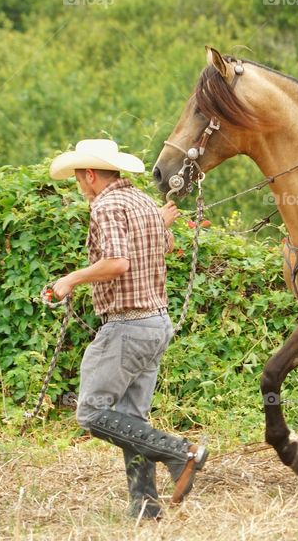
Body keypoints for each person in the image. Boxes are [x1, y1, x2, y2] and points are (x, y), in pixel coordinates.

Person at [48, 138, 207, 520]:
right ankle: (145, 509)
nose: (79, 185)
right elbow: (164, 246)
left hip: (127, 325)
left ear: (89, 175)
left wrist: (70, 279)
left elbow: (118, 263)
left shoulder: (105, 205)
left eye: (78, 178)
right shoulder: (142, 203)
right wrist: (158, 224)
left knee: (90, 412)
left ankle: (179, 453)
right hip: (157, 323)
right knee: (132, 419)